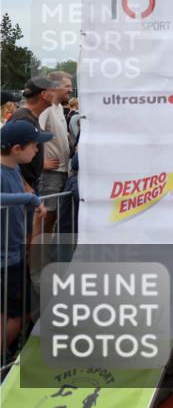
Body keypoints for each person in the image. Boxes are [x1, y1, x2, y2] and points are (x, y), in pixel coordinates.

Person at [1, 120, 52, 355]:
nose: (38, 150)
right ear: (17, 148)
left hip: (14, 253)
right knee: (17, 314)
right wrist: (29, 200)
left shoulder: (14, 169)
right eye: (33, 145)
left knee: (15, 310)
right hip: (6, 258)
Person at [8, 76, 60, 192]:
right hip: (20, 187)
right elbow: (7, 158)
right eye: (53, 90)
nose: (55, 94)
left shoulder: (29, 117)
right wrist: (26, 187)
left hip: (26, 184)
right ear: (44, 94)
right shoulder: (23, 120)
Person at [38, 71, 74, 231]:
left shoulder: (58, 108)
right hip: (50, 174)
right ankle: (36, 255)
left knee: (51, 220)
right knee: (44, 218)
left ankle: (42, 254)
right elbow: (31, 134)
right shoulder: (45, 108)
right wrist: (40, 162)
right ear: (54, 87)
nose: (71, 90)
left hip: (62, 172)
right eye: (67, 86)